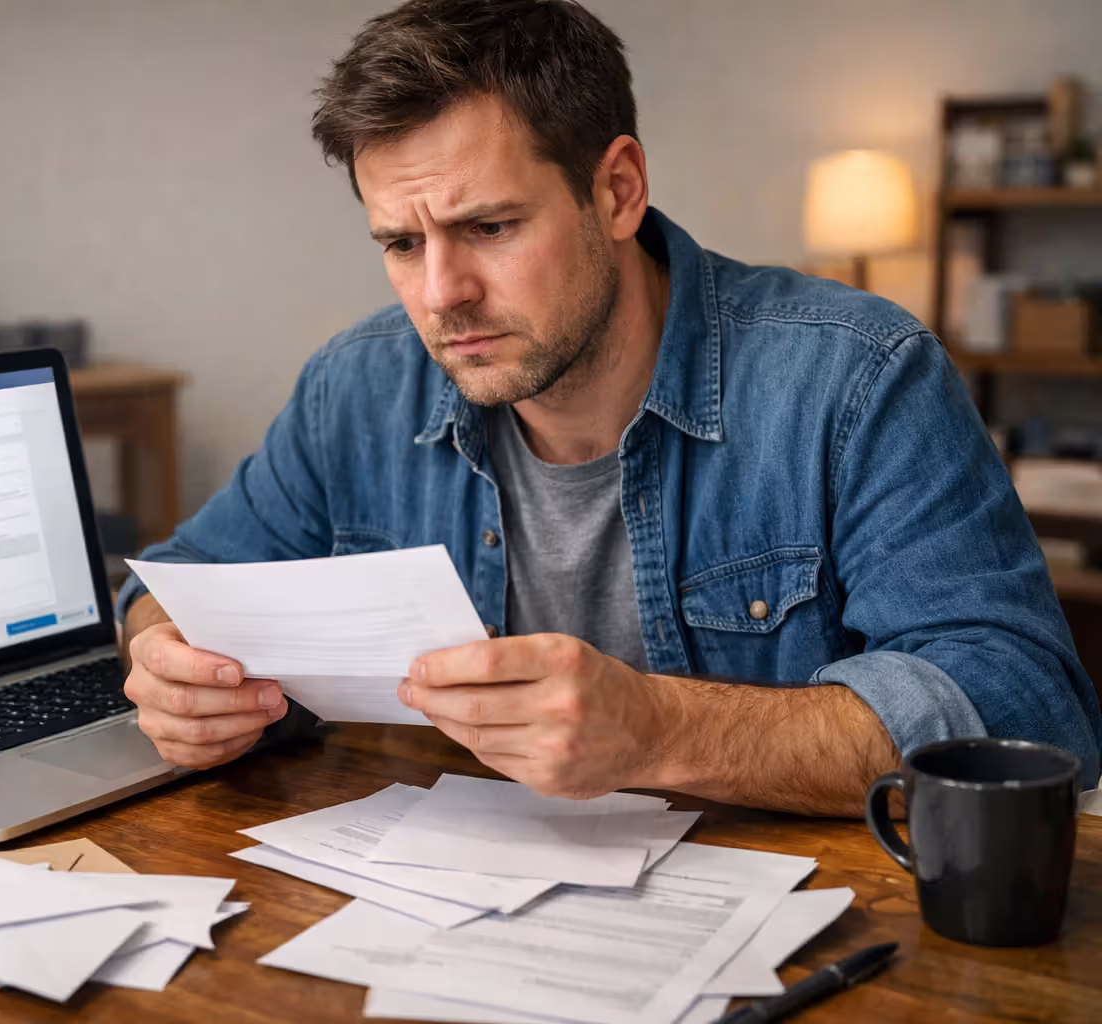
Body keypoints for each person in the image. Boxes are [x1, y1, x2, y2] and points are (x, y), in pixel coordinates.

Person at [117, 0, 1101, 814]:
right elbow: (174, 585)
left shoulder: (858, 376)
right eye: (402, 244)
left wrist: (661, 728)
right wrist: (169, 663)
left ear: (618, 190)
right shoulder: (356, 387)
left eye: (489, 227)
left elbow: (1031, 712)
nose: (439, 294)